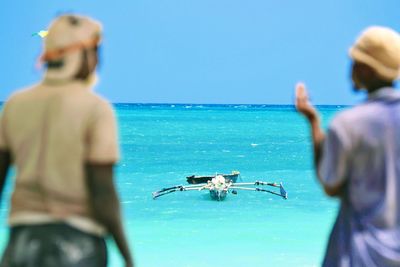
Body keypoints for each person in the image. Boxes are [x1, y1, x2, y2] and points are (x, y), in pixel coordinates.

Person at [0, 15, 134, 267]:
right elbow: (103, 192)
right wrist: (127, 256)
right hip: (78, 245)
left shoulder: (15, 105)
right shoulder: (95, 109)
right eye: (94, 51)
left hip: (20, 244)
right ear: (81, 54)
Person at [295, 26, 400, 266]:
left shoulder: (348, 124)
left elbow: (330, 184)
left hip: (358, 254)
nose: (350, 67)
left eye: (354, 61)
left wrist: (313, 122)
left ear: (366, 68)